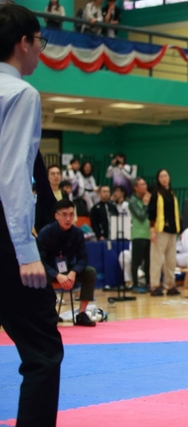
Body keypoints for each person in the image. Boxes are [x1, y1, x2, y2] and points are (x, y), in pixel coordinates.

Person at [0, 4, 64, 425]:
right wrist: (26, 252)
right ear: (24, 43)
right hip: (5, 235)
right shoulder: (20, 93)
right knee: (42, 351)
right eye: (39, 41)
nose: (40, 49)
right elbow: (11, 176)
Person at [37, 199, 97, 327]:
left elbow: (83, 258)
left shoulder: (77, 233)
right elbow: (39, 261)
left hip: (68, 271)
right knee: (39, 274)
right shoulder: (45, 233)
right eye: (64, 215)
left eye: (71, 214)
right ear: (56, 216)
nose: (68, 219)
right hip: (49, 271)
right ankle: (49, 312)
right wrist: (57, 275)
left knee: (90, 272)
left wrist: (73, 272)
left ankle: (81, 313)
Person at [148, 169, 181, 297]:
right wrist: (152, 230)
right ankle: (155, 286)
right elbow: (151, 212)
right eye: (161, 176)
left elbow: (176, 213)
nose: (164, 178)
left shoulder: (172, 194)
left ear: (169, 178)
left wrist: (179, 229)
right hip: (160, 230)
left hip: (172, 231)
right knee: (157, 259)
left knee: (171, 260)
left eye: (165, 176)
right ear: (158, 179)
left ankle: (170, 285)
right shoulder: (156, 194)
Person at [129, 177, 151, 292]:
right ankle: (135, 285)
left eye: (145, 184)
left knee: (148, 261)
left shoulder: (147, 198)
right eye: (142, 184)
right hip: (138, 235)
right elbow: (141, 216)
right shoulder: (132, 201)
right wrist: (146, 204)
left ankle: (148, 283)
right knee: (136, 261)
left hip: (149, 234)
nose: (145, 186)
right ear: (135, 188)